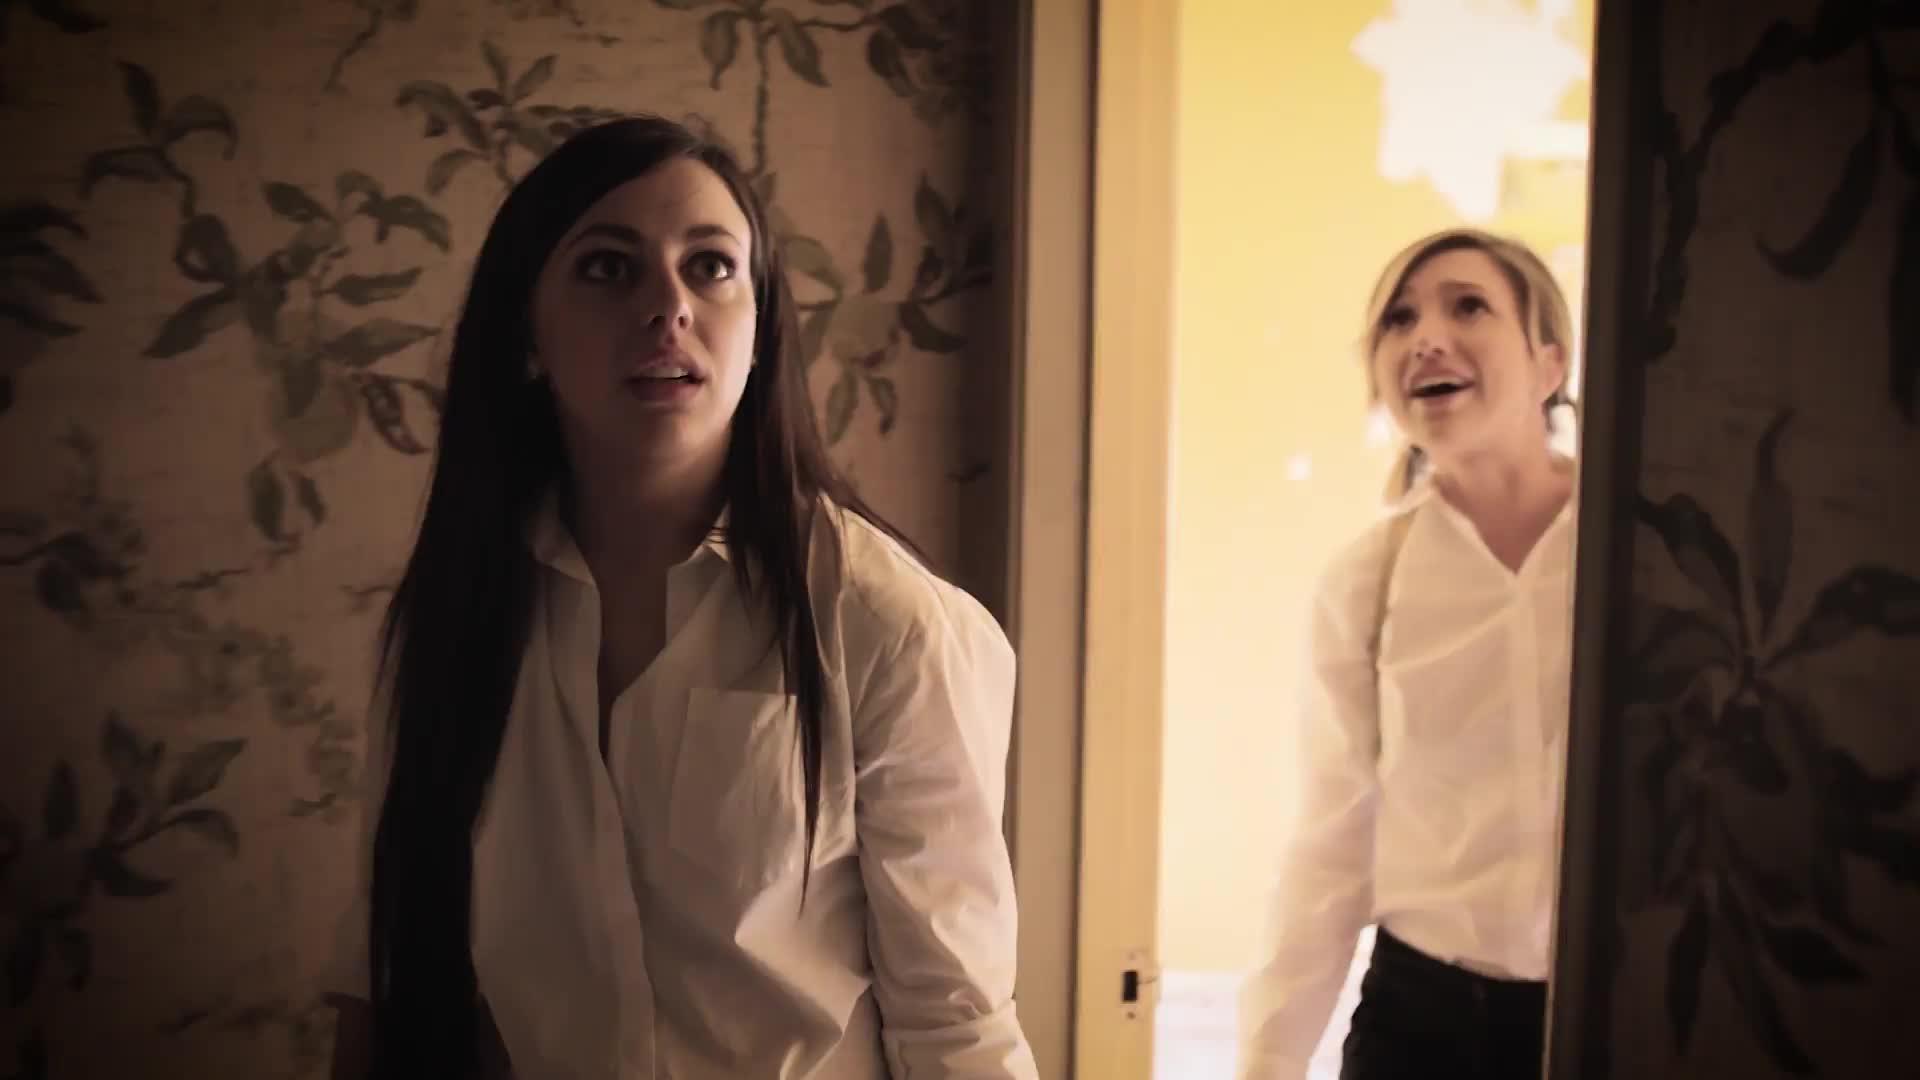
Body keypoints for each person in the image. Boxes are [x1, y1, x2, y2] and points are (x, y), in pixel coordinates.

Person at [324, 115, 1039, 1080]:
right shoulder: (454, 615)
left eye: (710, 267)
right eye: (608, 268)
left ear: (760, 328)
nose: (669, 307)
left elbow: (956, 1023)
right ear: (526, 333)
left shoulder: (887, 622)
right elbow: (386, 973)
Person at [1236, 228, 1579, 1080]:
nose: (1426, 337)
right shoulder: (1368, 578)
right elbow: (1332, 841)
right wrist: (1269, 1061)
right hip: (1423, 1027)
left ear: (1549, 364)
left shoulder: (1643, 547)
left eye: (1468, 306)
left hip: (1620, 1012)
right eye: (1399, 319)